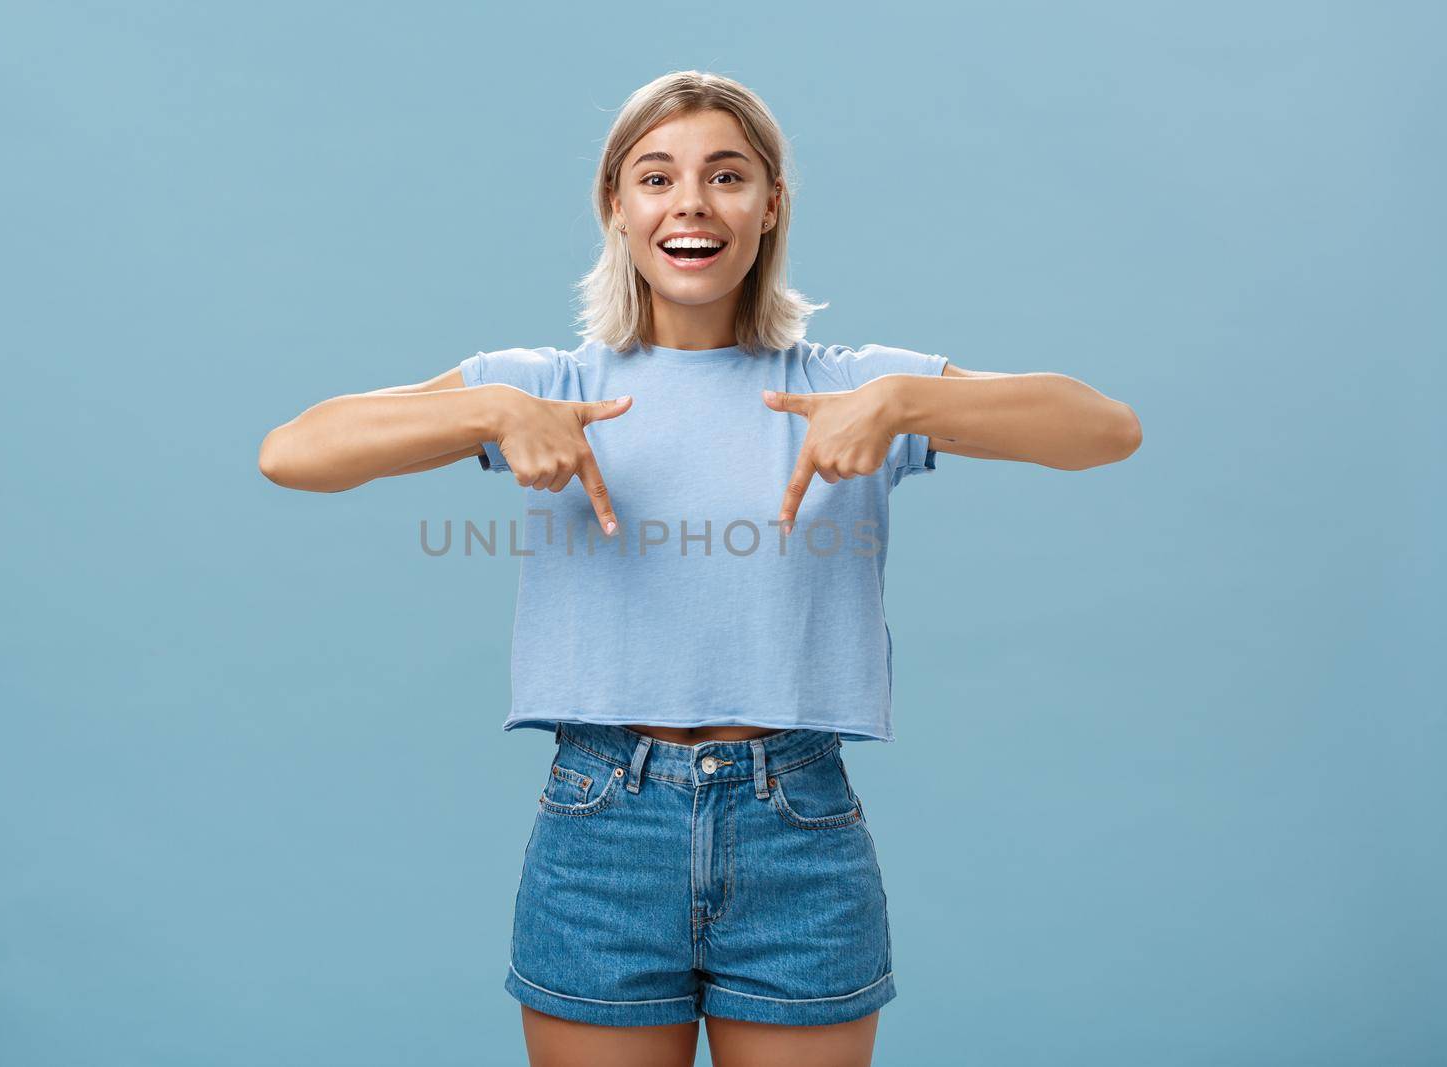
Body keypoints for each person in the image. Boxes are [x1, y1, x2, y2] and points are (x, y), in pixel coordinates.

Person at [258, 70, 1140, 1067]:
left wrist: (903, 403)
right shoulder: (551, 386)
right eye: (656, 177)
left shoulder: (845, 388)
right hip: (601, 829)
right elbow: (293, 450)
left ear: (770, 207)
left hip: (794, 827)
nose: (690, 202)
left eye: (726, 175)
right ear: (615, 207)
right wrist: (488, 411)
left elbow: (1103, 428)